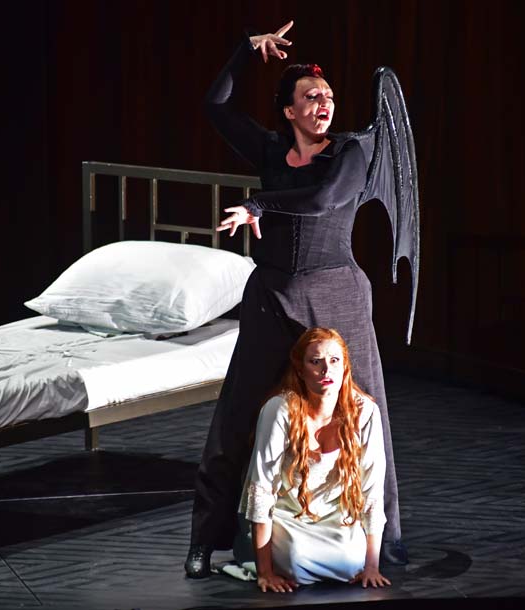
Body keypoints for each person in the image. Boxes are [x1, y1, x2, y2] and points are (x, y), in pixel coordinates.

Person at [185, 20, 408, 578]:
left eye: (327, 97)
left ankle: (386, 540)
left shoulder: (353, 151)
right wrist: (244, 50)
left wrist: (259, 204)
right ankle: (205, 541)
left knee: (364, 407)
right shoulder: (270, 149)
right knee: (237, 413)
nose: (323, 104)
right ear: (289, 111)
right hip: (273, 292)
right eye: (310, 97)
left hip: (337, 292)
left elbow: (324, 199)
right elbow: (215, 107)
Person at [234, 327, 392, 591]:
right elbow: (262, 488)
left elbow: (372, 489)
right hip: (288, 514)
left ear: (345, 367)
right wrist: (265, 572)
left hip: (336, 516)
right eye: (315, 361)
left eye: (334, 361)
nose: (326, 370)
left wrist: (372, 566)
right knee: (296, 562)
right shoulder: (280, 409)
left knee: (351, 563)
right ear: (300, 369)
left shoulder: (365, 411)